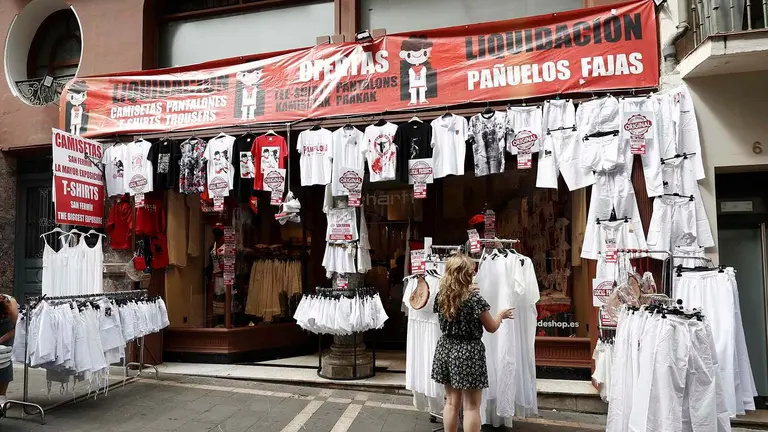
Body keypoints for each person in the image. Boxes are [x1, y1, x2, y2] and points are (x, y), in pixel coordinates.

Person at [430, 254, 514, 432]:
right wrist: (501, 315)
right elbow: (491, 327)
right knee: (472, 406)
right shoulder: (475, 300)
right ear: (466, 274)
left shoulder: (441, 297)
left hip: (446, 348)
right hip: (469, 352)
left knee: (451, 402)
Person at [0, 294, 18, 405]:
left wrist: (2, 339)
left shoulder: (11, 305)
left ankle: (2, 396)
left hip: (8, 329)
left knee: (4, 359)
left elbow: (18, 327)